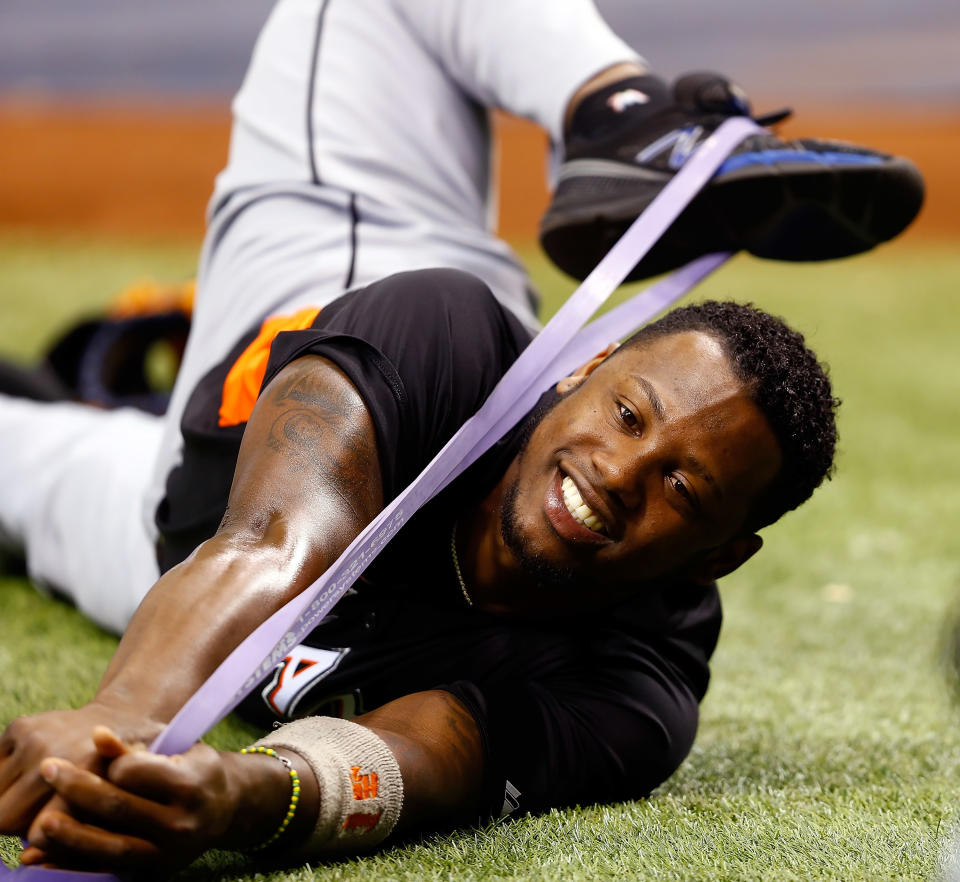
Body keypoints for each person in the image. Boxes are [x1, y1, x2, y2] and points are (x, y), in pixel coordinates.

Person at [0, 0, 921, 873]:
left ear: (721, 558)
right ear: (575, 372)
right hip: (331, 274)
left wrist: (235, 796)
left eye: (684, 491)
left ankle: (90, 397)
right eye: (628, 415)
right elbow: (272, 544)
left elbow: (427, 755)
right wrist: (120, 718)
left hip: (150, 544)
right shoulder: (439, 333)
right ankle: (627, 117)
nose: (620, 472)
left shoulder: (640, 688)